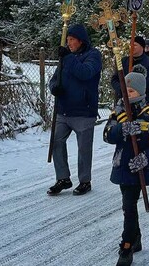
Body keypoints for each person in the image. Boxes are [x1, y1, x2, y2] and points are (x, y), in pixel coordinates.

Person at [103, 69, 149, 266]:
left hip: (140, 167)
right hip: (122, 164)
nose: (126, 95)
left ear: (140, 92)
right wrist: (121, 129)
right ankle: (136, 236)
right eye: (125, 91)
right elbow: (106, 135)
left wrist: (146, 157)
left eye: (130, 91)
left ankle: (127, 244)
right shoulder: (118, 112)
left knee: (129, 205)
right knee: (128, 205)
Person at [47, 24, 103, 196]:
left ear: (81, 40)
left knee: (83, 148)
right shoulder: (66, 57)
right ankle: (63, 178)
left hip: (83, 110)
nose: (69, 43)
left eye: (72, 40)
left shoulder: (93, 55)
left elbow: (85, 73)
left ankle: (85, 180)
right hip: (63, 109)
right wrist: (54, 87)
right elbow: (55, 79)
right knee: (56, 142)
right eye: (68, 40)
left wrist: (68, 58)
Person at [111, 36, 149, 105]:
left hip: (142, 102)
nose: (132, 47)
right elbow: (115, 79)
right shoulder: (124, 61)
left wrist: (136, 90)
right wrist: (123, 90)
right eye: (131, 45)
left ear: (142, 47)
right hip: (123, 101)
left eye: (135, 45)